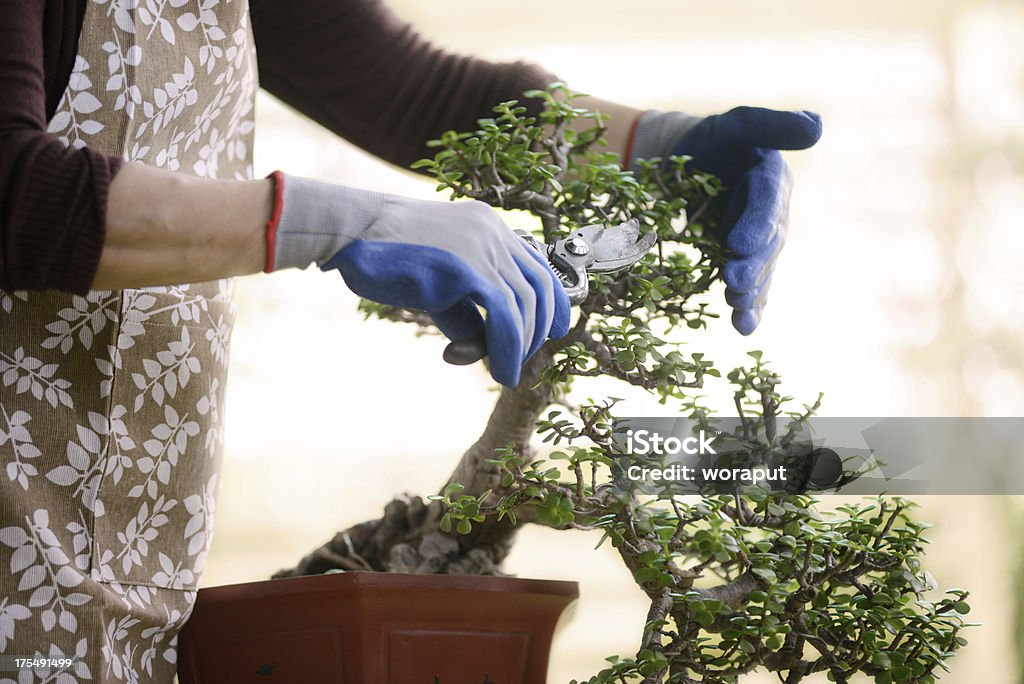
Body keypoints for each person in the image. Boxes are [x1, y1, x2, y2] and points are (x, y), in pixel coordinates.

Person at [0, 0, 821, 680]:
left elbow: (409, 88)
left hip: (127, 544)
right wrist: (335, 221)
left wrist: (664, 148)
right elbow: (13, 191)